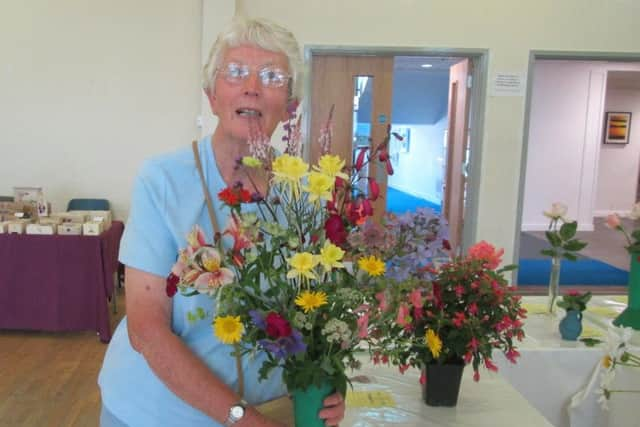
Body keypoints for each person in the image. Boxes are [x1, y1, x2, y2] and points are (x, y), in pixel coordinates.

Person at [98, 17, 345, 427]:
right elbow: (146, 327)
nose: (252, 86)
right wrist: (241, 418)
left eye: (271, 76)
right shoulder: (163, 181)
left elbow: (318, 320)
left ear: (291, 106)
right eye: (235, 73)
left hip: (272, 411)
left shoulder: (305, 199)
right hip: (156, 414)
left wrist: (332, 387)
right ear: (212, 97)